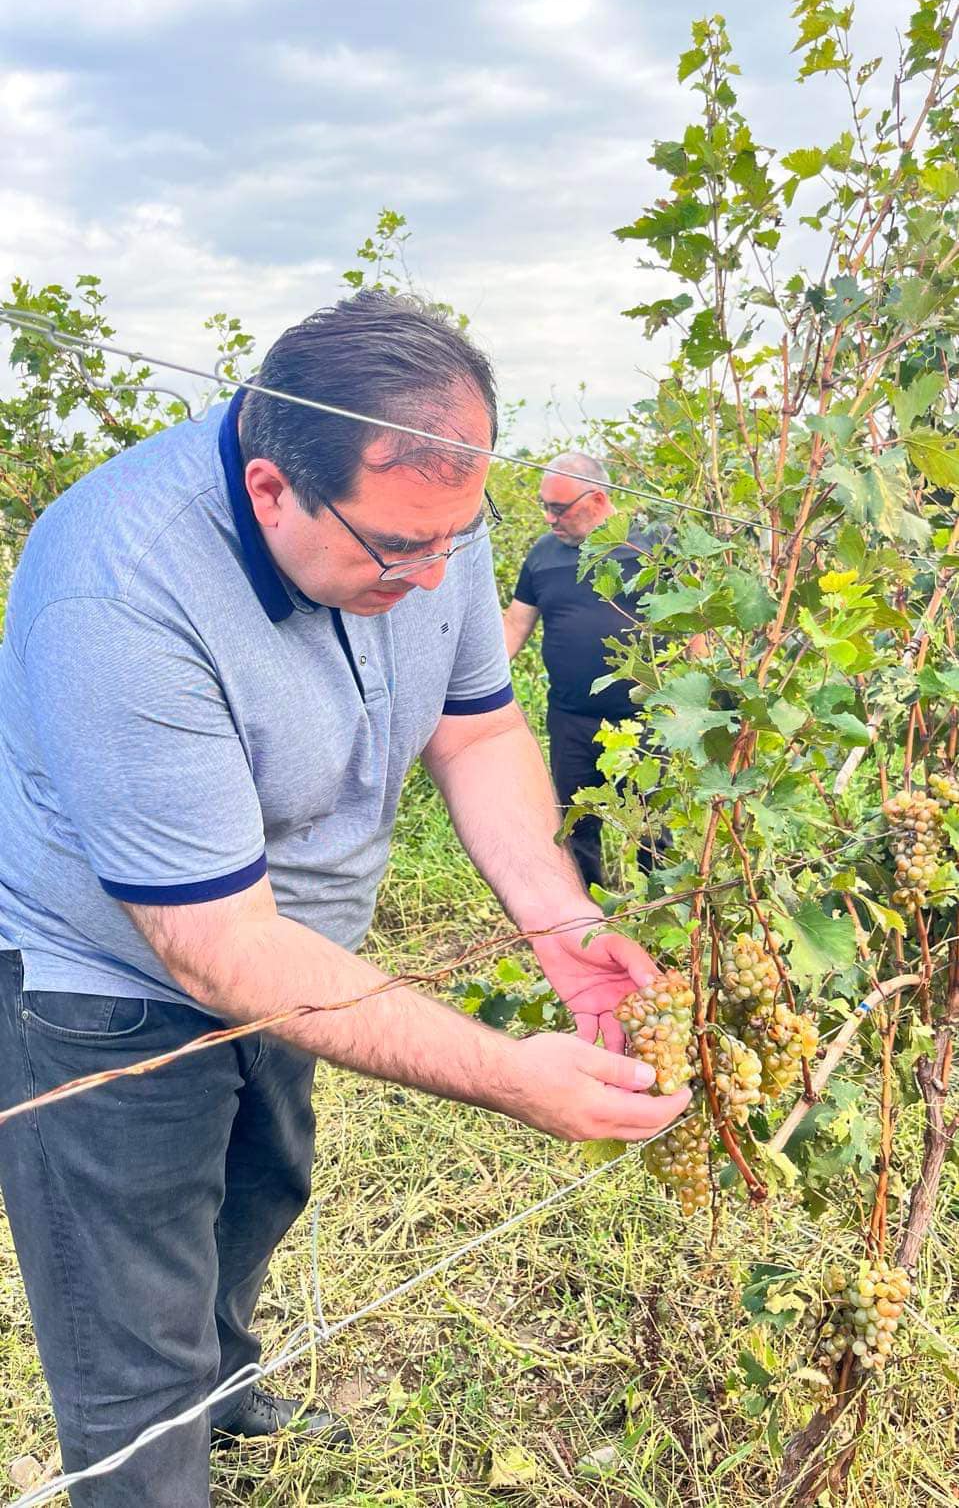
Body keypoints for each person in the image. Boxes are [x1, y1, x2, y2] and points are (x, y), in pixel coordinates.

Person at [0, 294, 689, 1508]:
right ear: (271, 489)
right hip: (108, 981)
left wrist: (566, 925)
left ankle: (226, 1391)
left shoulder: (428, 514)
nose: (435, 576)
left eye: (457, 539)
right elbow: (218, 947)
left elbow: (477, 732)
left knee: (260, 1190)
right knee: (133, 1330)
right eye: (400, 550)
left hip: (298, 948)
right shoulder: (116, 589)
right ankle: (157, 1454)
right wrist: (505, 1074)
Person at [503, 452, 667, 890]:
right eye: (545, 506)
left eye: (558, 508)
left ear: (597, 500)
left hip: (646, 719)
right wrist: (473, 686)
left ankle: (660, 913)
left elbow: (694, 630)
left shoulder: (653, 546)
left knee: (654, 831)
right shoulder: (543, 555)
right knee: (576, 828)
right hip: (572, 721)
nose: (548, 518)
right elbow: (516, 624)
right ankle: (589, 913)